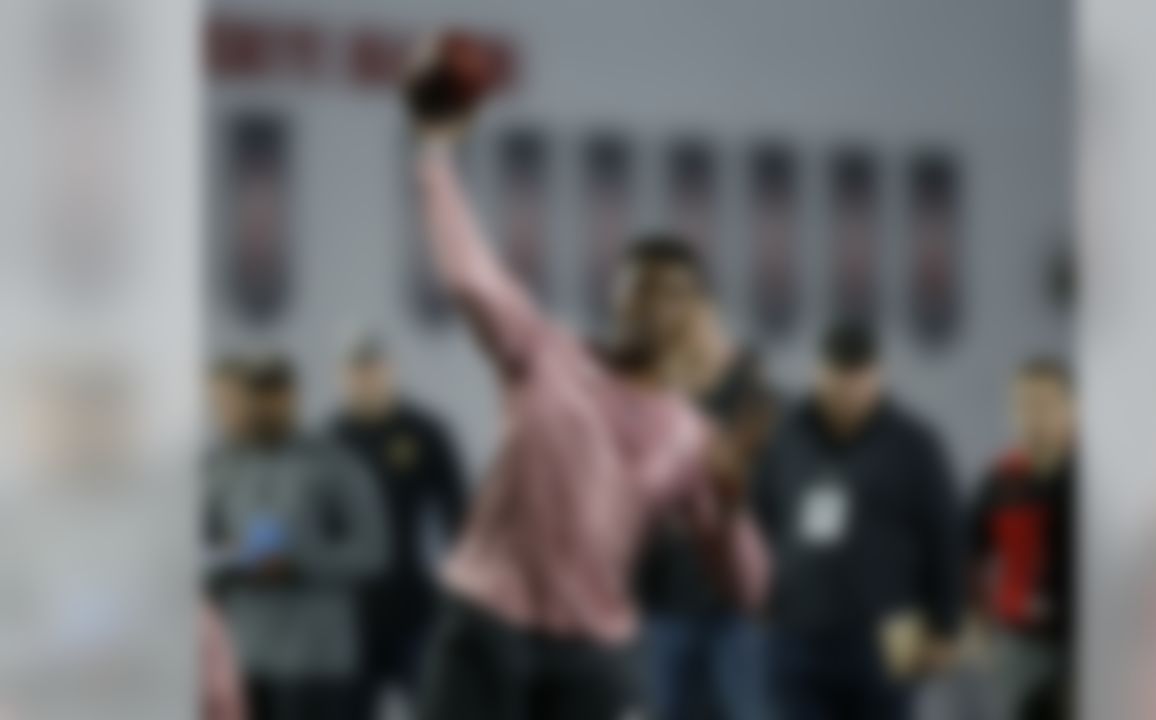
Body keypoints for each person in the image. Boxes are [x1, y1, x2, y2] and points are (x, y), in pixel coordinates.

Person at [404, 41, 770, 720]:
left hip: (597, 656)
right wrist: (432, 153)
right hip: (487, 628)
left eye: (672, 294)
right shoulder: (543, 353)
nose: (652, 305)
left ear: (694, 316)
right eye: (638, 289)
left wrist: (728, 506)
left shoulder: (695, 438)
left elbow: (747, 589)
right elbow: (470, 275)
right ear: (616, 299)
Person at [754, 322, 964, 720]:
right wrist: (756, 593)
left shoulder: (914, 444)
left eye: (859, 379)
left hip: (888, 633)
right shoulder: (784, 437)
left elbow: (944, 537)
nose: (847, 391)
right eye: (837, 377)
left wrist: (946, 625)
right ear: (818, 374)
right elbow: (760, 519)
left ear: (877, 377)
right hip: (798, 628)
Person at [629, 238, 776, 720]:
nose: (685, 326)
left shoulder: (754, 397)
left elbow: (773, 501)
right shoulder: (643, 399)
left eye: (694, 313)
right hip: (660, 606)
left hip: (734, 614)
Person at [204, 357, 387, 720]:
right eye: (255, 396)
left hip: (316, 659)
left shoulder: (337, 464)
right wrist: (231, 561)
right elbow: (194, 550)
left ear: (292, 397)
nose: (265, 407)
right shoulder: (219, 467)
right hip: (244, 657)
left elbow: (373, 552)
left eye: (275, 394)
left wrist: (300, 564)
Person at [329, 337, 467, 716]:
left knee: (435, 707)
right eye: (356, 371)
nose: (366, 380)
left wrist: (463, 594)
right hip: (349, 615)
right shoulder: (329, 440)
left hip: (414, 609)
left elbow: (459, 517)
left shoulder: (423, 432)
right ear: (341, 377)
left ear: (390, 371)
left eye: (373, 369)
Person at [969, 357, 1077, 720]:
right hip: (1022, 643)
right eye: (1024, 405)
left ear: (1072, 408)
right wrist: (977, 622)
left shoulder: (1101, 479)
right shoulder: (998, 482)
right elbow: (967, 557)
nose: (1035, 416)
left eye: (1046, 404)